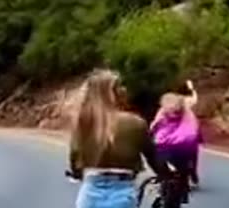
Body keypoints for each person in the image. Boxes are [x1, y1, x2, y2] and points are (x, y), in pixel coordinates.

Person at [69, 69, 164, 208]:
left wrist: (76, 173)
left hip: (90, 192)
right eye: (119, 86)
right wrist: (166, 174)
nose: (124, 90)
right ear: (111, 93)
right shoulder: (136, 123)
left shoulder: (83, 123)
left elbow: (75, 154)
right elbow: (153, 157)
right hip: (122, 191)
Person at [150, 79, 202, 196]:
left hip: (165, 143)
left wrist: (151, 133)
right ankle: (191, 174)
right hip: (186, 141)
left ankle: (163, 178)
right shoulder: (187, 104)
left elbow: (155, 124)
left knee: (160, 157)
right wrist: (192, 88)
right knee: (192, 154)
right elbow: (193, 128)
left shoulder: (165, 106)